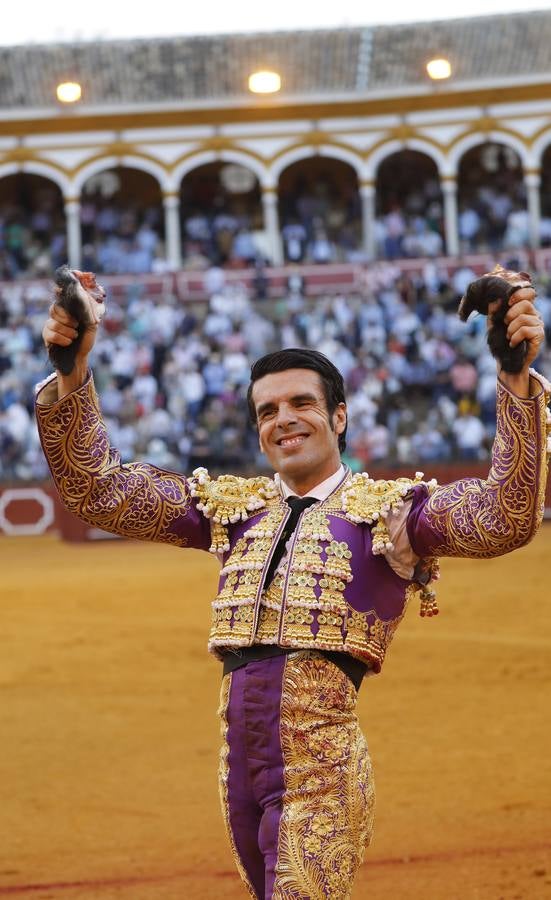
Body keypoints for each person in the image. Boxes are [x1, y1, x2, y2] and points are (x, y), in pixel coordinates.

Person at [36, 278, 549, 900]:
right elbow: (100, 492)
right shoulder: (232, 506)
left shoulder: (392, 513)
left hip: (321, 766)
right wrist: (74, 371)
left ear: (338, 416)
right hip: (238, 766)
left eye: (301, 403)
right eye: (267, 411)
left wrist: (515, 380)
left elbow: (505, 516)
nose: (283, 420)